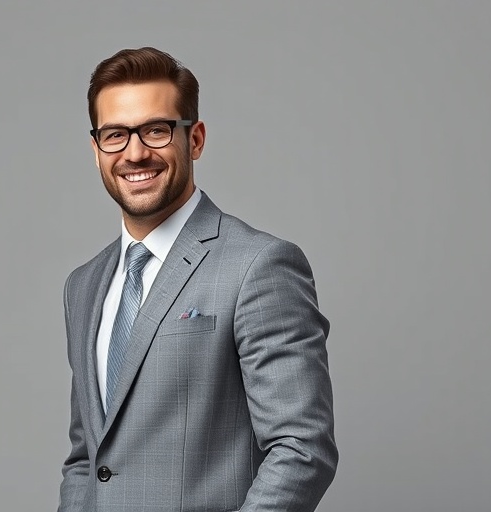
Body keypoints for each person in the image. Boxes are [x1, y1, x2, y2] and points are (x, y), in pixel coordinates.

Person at [58, 47, 338, 512]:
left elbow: (301, 448)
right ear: (96, 150)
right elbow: (88, 458)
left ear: (195, 139)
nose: (135, 152)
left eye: (156, 130)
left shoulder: (259, 266)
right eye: (115, 135)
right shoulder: (83, 286)